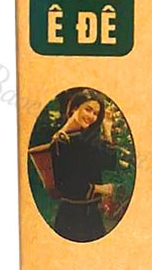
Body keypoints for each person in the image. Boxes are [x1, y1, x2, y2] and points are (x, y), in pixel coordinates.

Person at [50, 89, 117, 242]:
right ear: (75, 108)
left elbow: (109, 163)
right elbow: (66, 185)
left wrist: (107, 130)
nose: (91, 117)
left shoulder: (84, 138)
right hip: (72, 216)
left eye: (96, 113)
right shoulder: (61, 140)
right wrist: (100, 189)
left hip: (92, 215)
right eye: (88, 109)